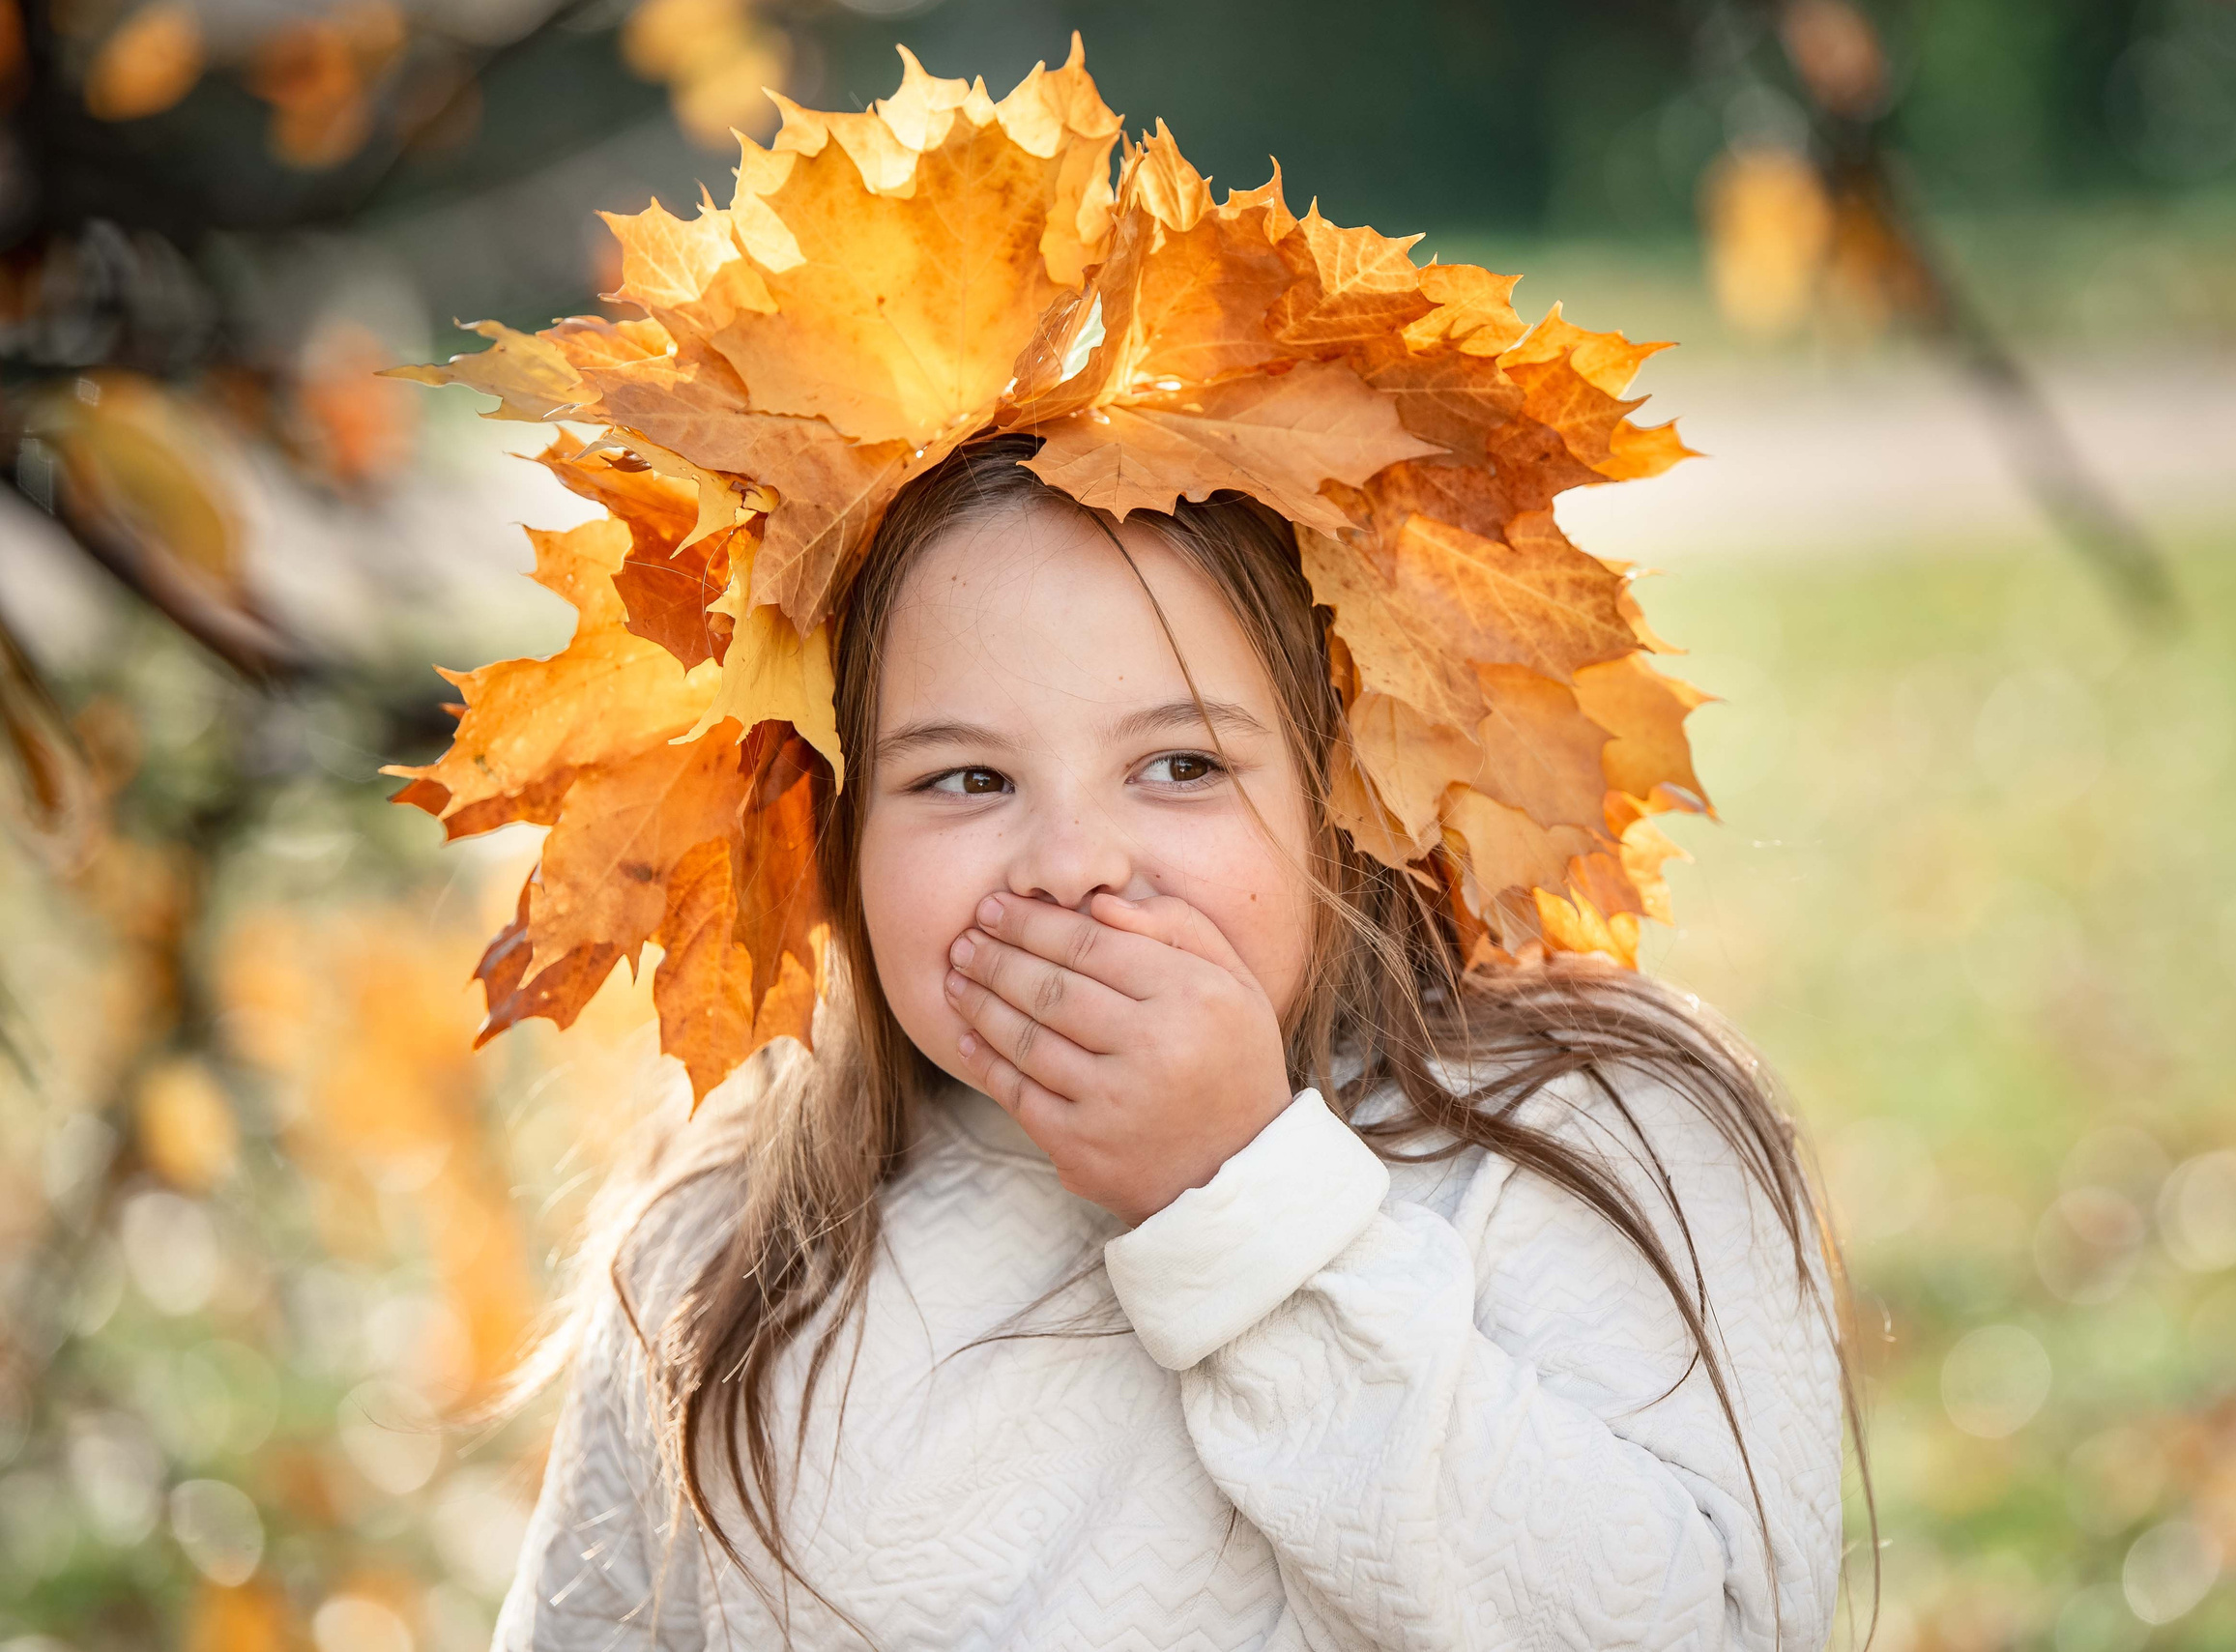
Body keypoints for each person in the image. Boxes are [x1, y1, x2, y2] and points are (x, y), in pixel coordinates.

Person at [390, 38, 1860, 1652]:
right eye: (965, 780)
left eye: (1179, 764)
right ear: (832, 826)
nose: (1072, 864)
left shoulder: (1582, 1138)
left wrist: (1241, 1203)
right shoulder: (730, 1252)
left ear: (1349, 789)